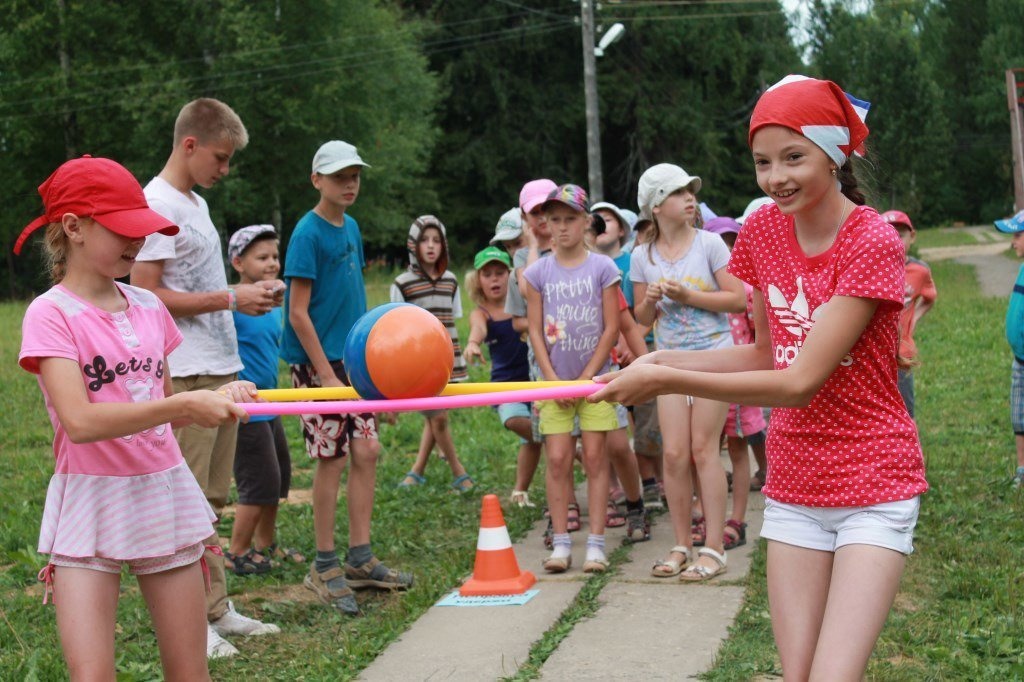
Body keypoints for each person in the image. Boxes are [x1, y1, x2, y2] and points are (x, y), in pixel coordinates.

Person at [591, 75, 928, 680]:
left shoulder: (872, 240)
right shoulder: (766, 231)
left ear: (834, 152)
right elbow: (764, 356)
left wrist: (666, 380)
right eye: (762, 162)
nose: (776, 178)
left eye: (793, 157)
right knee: (795, 674)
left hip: (873, 482)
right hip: (797, 483)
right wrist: (657, 361)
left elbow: (799, 381)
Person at [14, 156, 259, 680]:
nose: (137, 243)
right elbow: (79, 422)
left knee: (190, 671)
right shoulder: (51, 314)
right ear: (74, 227)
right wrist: (183, 406)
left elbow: (162, 414)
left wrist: (217, 396)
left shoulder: (149, 306)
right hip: (90, 497)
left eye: (141, 230)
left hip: (160, 491)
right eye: (122, 230)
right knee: (92, 674)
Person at [129, 98, 280, 658]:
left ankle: (215, 608)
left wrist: (243, 302)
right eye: (220, 157)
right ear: (189, 144)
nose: (225, 168)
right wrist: (231, 297)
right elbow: (145, 297)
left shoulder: (191, 201)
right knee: (185, 500)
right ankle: (192, 624)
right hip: (186, 374)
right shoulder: (155, 204)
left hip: (219, 365)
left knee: (211, 498)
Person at [280, 139, 413, 617]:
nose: (349, 184)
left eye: (354, 175)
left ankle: (360, 558)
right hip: (317, 365)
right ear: (317, 180)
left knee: (368, 449)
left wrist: (372, 361)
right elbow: (297, 313)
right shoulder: (306, 234)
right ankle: (323, 563)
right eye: (339, 177)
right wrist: (321, 373)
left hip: (355, 362)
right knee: (330, 458)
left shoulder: (352, 227)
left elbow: (353, 300)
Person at [630, 163, 745, 582]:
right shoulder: (642, 256)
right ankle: (681, 544)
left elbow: (736, 301)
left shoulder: (711, 244)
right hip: (670, 362)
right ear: (657, 206)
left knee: (702, 450)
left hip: (714, 357)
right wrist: (654, 301)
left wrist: (690, 295)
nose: (690, 198)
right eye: (679, 193)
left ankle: (713, 549)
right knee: (674, 454)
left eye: (691, 191)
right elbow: (641, 319)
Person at [524, 184, 621, 573]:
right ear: (546, 224)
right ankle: (562, 542)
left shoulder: (603, 268)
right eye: (555, 220)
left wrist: (584, 378)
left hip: (594, 383)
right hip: (553, 384)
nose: (561, 228)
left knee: (597, 458)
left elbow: (612, 327)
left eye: (570, 219)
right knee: (559, 458)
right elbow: (534, 331)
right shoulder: (537, 273)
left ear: (585, 222)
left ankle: (596, 544)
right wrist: (553, 381)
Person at [224, 225, 303, 574]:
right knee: (258, 483)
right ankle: (236, 552)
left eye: (275, 256)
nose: (272, 263)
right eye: (262, 257)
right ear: (238, 262)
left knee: (279, 478)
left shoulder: (270, 306)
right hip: (246, 410)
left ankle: (265, 544)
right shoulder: (232, 306)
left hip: (269, 404)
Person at [391, 215, 473, 491]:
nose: (430, 246)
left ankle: (416, 472)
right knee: (437, 417)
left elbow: (454, 317)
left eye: (436, 240)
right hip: (419, 363)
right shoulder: (402, 283)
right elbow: (395, 325)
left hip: (448, 361)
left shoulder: (451, 280)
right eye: (424, 239)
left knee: (434, 417)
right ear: (413, 244)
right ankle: (458, 472)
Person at [704, 217, 768, 551]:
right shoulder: (702, 289)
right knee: (704, 450)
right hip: (707, 382)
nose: (727, 251)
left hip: (740, 383)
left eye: (733, 243)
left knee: (737, 449)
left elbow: (759, 337)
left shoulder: (744, 289)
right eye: (720, 245)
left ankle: (738, 518)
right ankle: (706, 514)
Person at [464, 246, 539, 506]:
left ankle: (520, 490)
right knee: (516, 421)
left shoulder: (524, 307)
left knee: (530, 439)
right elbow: (477, 329)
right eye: (487, 274)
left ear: (511, 276)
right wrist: (473, 343)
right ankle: (566, 446)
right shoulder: (481, 312)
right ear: (478, 280)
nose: (494, 279)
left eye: (500, 273)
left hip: (536, 379)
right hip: (505, 385)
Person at [881, 210, 937, 419]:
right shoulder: (871, 268)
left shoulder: (919, 271)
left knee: (905, 414)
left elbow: (930, 297)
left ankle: (910, 451)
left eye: (901, 234)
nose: (895, 239)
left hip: (902, 355)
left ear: (912, 237)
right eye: (889, 233)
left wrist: (913, 319)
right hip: (874, 356)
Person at [994, 208, 1024, 488]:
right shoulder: (1023, 267)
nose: (1013, 241)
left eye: (1017, 234)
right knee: (1019, 418)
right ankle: (1022, 468)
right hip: (1019, 361)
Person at [590, 201, 634, 308]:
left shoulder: (634, 262)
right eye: (594, 221)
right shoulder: (582, 266)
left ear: (621, 230)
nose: (600, 224)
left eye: (607, 220)